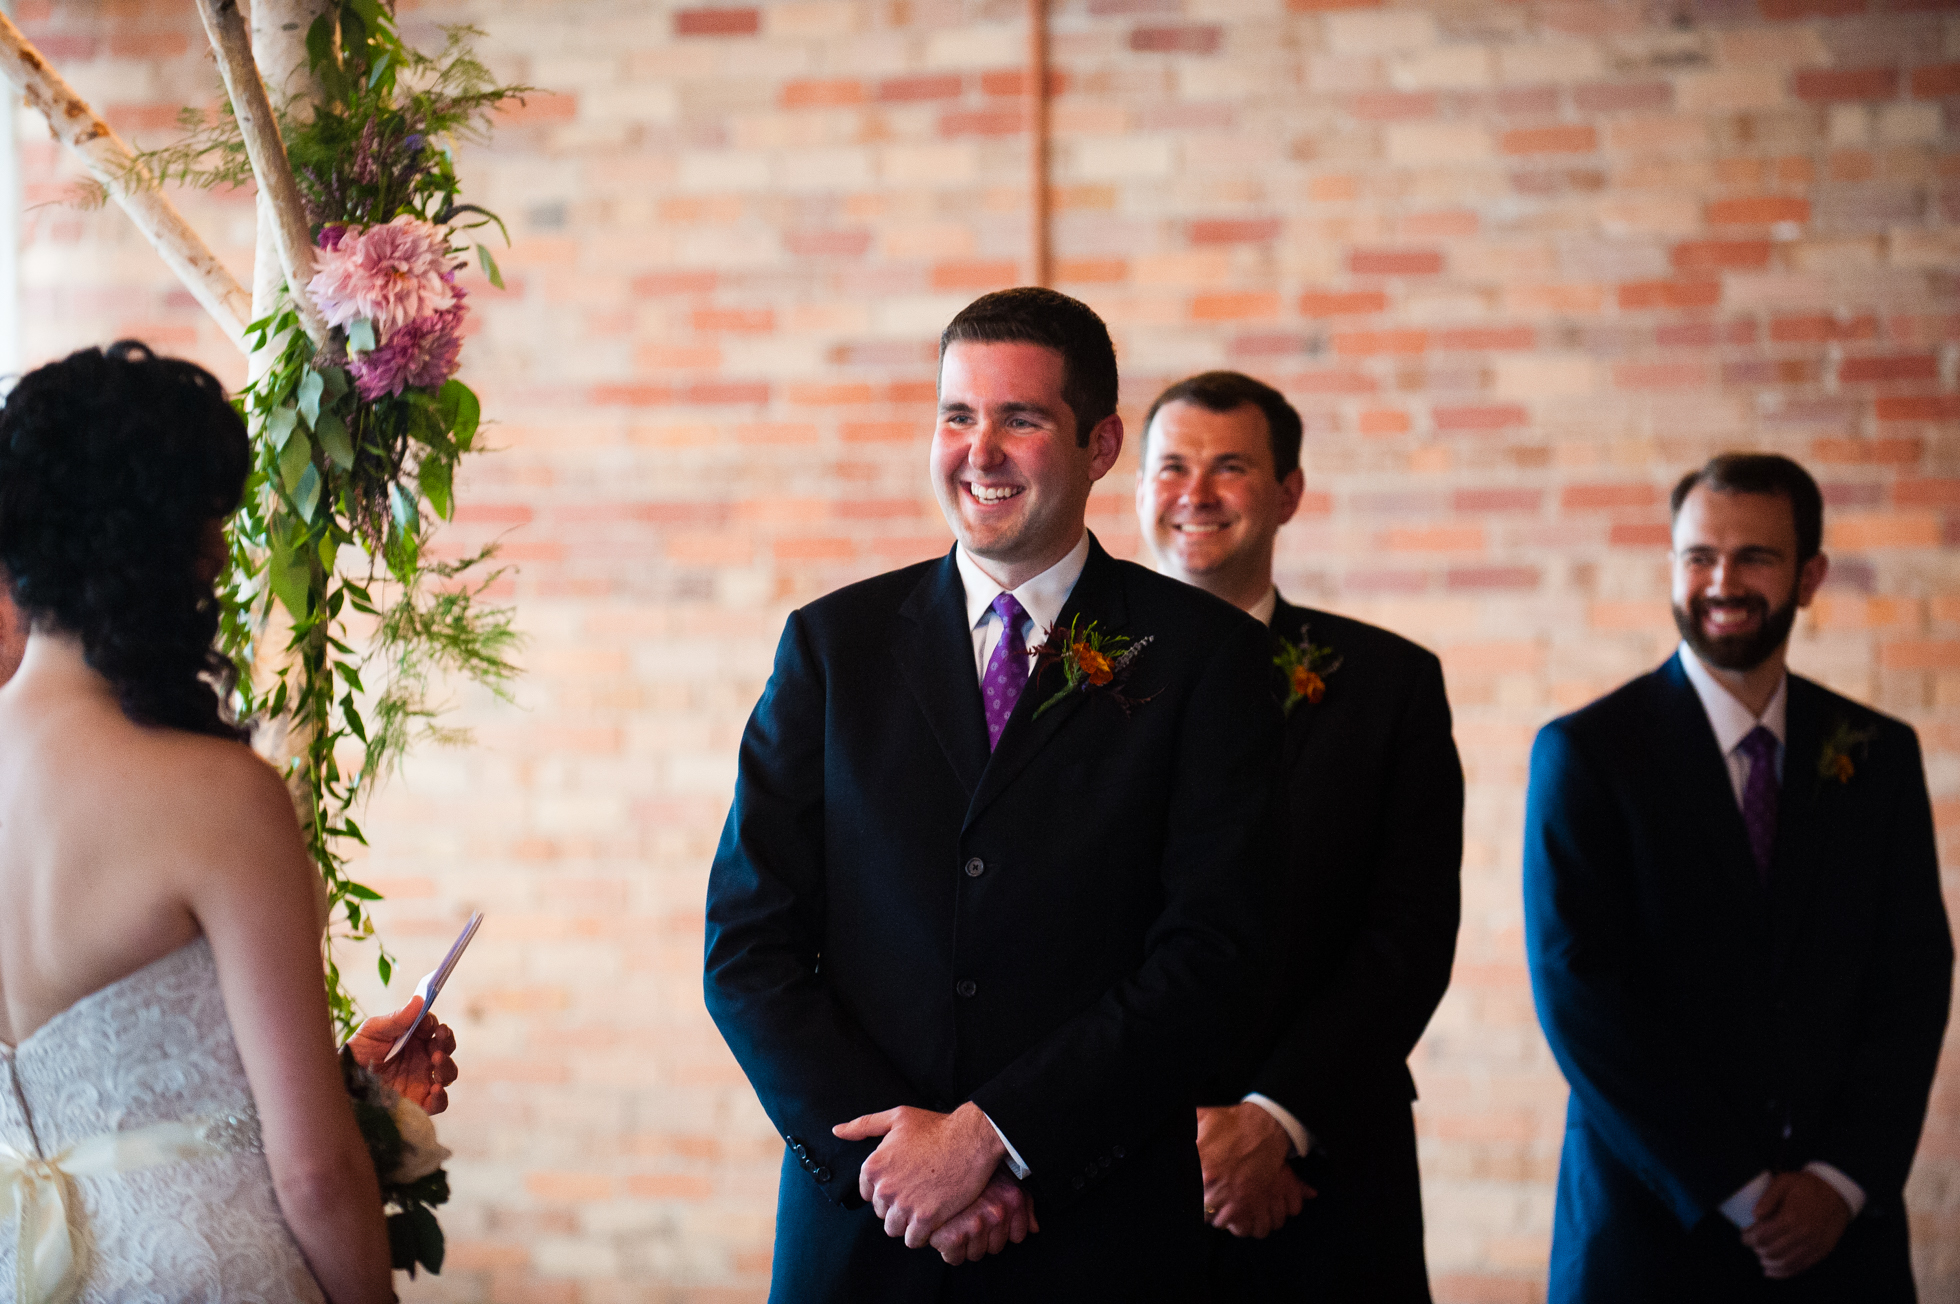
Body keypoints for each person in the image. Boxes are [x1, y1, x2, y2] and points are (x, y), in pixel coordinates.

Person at [704, 288, 1286, 1300]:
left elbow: (1213, 954)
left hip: (1098, 1231)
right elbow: (748, 945)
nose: (981, 451)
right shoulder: (833, 646)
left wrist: (998, 1139)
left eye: (1021, 418)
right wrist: (895, 1168)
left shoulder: (1209, 659)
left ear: (1099, 443)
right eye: (957, 415)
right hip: (863, 1233)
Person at [0, 342, 425, 1303]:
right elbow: (313, 1172)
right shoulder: (220, 796)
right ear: (174, 551)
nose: (224, 554)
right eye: (216, 527)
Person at [1524, 453, 1953, 1302]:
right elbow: (1580, 993)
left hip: (1841, 1244)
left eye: (1755, 557)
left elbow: (1911, 979)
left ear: (1809, 575)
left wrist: (1839, 1180)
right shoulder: (1587, 755)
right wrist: (1740, 1190)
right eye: (1698, 557)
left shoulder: (1878, 754)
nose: (1722, 580)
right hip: (1650, 1232)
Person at [1134, 370, 1462, 1300]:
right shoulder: (1064, 678)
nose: (1195, 493)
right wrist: (1166, 1131)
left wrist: (1275, 1120)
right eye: (1172, 468)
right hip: (1114, 1175)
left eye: (1229, 467)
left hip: (1330, 1169)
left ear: (1288, 494)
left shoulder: (1390, 686)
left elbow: (1407, 934)